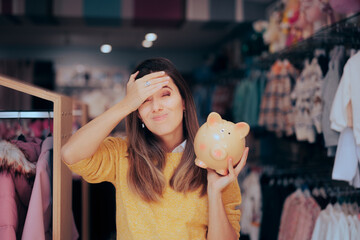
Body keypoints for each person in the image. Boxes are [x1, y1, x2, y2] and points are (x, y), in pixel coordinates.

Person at [61, 57, 249, 240]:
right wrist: (126, 104)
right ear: (138, 113)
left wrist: (215, 192)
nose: (156, 107)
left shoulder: (213, 160)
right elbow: (70, 154)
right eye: (144, 100)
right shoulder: (122, 154)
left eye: (165, 94)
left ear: (183, 102)